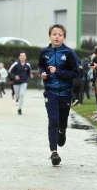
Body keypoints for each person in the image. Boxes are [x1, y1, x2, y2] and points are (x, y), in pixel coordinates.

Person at [38, 24, 79, 166]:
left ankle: (62, 131)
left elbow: (75, 72)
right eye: (54, 34)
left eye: (60, 34)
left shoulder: (69, 53)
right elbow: (41, 66)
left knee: (62, 121)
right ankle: (54, 153)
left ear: (64, 37)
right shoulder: (44, 52)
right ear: (50, 36)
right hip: (50, 91)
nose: (57, 36)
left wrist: (58, 72)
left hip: (66, 92)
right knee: (53, 120)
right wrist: (42, 73)